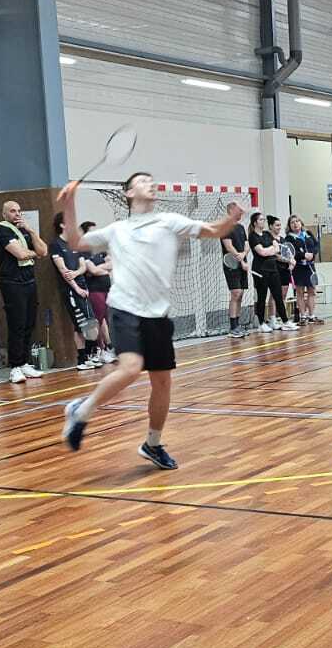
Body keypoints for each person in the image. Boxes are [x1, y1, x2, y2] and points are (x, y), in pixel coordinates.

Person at [58, 172, 242, 468]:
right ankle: (82, 411)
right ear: (129, 193)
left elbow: (212, 230)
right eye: (143, 181)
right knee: (131, 368)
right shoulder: (116, 230)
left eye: (152, 180)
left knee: (163, 383)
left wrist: (230, 219)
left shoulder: (169, 221)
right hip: (124, 308)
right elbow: (76, 241)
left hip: (157, 314)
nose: (151, 183)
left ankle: (152, 444)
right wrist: (69, 204)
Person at [0, 201, 49, 383]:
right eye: (12, 211)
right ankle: (15, 367)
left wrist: (31, 231)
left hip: (29, 282)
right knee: (16, 324)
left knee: (28, 323)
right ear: (4, 214)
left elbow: (43, 250)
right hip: (12, 283)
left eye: (19, 211)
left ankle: (24, 363)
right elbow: (21, 254)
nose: (17, 214)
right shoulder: (3, 230)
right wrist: (34, 253)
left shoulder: (23, 230)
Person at [49, 212, 101, 372]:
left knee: (91, 323)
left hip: (83, 287)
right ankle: (82, 359)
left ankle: (91, 354)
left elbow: (83, 266)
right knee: (80, 325)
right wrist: (76, 288)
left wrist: (77, 274)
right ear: (62, 225)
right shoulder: (56, 244)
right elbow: (63, 270)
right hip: (71, 291)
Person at [248, 212, 290, 331]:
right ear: (255, 223)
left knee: (278, 296)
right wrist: (271, 250)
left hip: (273, 269)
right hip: (260, 270)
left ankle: (285, 321)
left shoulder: (267, 234)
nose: (263, 221)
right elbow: (262, 252)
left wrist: (270, 250)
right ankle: (261, 324)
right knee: (262, 297)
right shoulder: (252, 236)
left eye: (264, 219)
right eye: (261, 220)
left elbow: (277, 248)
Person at [79, 221, 114, 360]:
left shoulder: (100, 249)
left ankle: (108, 347)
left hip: (106, 288)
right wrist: (103, 269)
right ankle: (98, 349)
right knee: (97, 320)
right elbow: (92, 270)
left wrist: (100, 269)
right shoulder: (84, 251)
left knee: (105, 318)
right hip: (94, 290)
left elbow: (111, 264)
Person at [285, 215, 319, 323]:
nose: (295, 224)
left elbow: (316, 245)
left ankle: (311, 315)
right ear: (289, 225)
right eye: (292, 222)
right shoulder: (289, 238)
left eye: (297, 221)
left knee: (312, 291)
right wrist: (304, 255)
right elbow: (291, 253)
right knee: (300, 292)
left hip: (310, 267)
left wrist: (312, 254)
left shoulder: (308, 233)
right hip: (298, 268)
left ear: (301, 222)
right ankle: (303, 316)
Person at [268, 215, 299, 329]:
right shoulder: (269, 239)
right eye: (277, 225)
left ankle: (282, 319)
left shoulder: (283, 239)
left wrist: (292, 262)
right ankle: (272, 319)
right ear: (271, 226)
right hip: (275, 269)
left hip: (285, 270)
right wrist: (289, 260)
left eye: (280, 225)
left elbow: (288, 253)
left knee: (283, 295)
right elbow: (276, 255)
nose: (279, 227)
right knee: (274, 295)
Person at [222, 216, 249, 338]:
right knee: (236, 293)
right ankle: (233, 327)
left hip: (242, 264)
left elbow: (246, 245)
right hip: (231, 264)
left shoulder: (241, 227)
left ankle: (237, 325)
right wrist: (241, 260)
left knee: (241, 294)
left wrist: (244, 254)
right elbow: (229, 247)